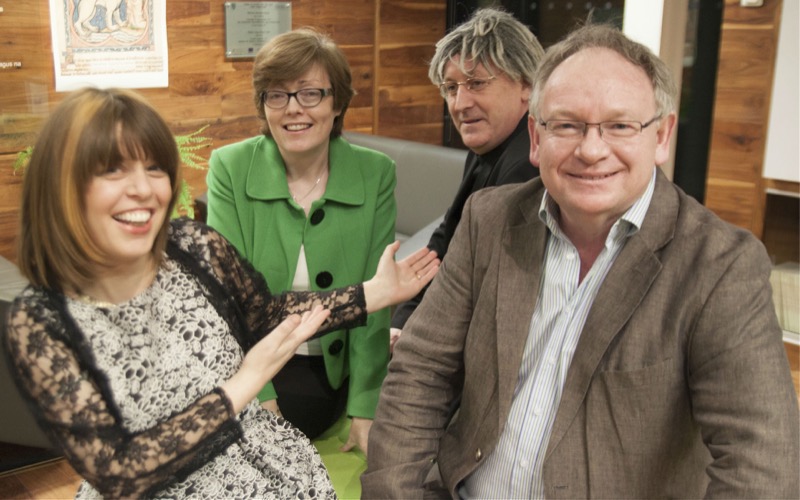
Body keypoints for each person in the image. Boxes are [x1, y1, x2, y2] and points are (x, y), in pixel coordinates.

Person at [363, 23, 800, 498]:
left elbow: (761, 460)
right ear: (535, 136)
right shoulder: (488, 220)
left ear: (662, 136)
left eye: (619, 125)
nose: (592, 150)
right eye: (567, 125)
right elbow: (421, 374)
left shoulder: (720, 265)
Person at [3, 87, 438, 499]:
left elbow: (265, 314)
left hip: (267, 467)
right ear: (64, 185)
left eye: (154, 167)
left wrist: (370, 294)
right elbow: (119, 469)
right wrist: (245, 382)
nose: (143, 188)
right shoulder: (42, 322)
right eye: (113, 169)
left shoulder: (191, 247)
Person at [205, 28, 396, 454]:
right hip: (249, 362)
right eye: (278, 95)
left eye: (310, 93)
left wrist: (366, 406)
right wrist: (261, 394)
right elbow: (229, 297)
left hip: (327, 372)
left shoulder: (375, 173)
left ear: (338, 101)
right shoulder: (230, 168)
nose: (294, 109)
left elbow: (375, 300)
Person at [390, 8, 544, 348]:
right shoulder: (488, 144)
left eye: (476, 84)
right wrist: (404, 317)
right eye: (451, 88)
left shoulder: (529, 167)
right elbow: (448, 236)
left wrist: (415, 329)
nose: (460, 103)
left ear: (527, 86)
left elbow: (482, 288)